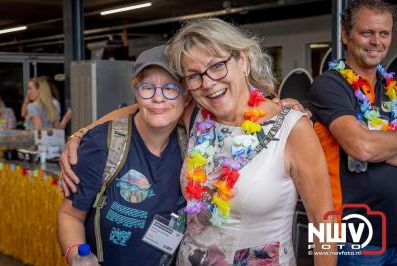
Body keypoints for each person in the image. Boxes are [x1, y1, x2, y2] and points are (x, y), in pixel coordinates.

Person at [60, 19, 335, 265]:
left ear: (242, 60)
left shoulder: (292, 129)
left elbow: (325, 220)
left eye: (216, 65)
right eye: (193, 75)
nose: (208, 82)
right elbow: (147, 107)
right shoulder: (198, 117)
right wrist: (80, 135)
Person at [58, 45, 189, 265]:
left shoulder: (194, 144)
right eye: (148, 88)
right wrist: (77, 258)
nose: (159, 98)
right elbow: (70, 216)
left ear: (186, 96)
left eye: (171, 88)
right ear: (136, 91)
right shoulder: (102, 143)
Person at [309, 0, 397, 265]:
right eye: (367, 33)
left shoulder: (391, 87)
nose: (376, 42)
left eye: (384, 33)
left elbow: (368, 145)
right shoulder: (329, 85)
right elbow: (362, 147)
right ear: (345, 35)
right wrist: (374, 145)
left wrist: (377, 144)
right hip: (354, 235)